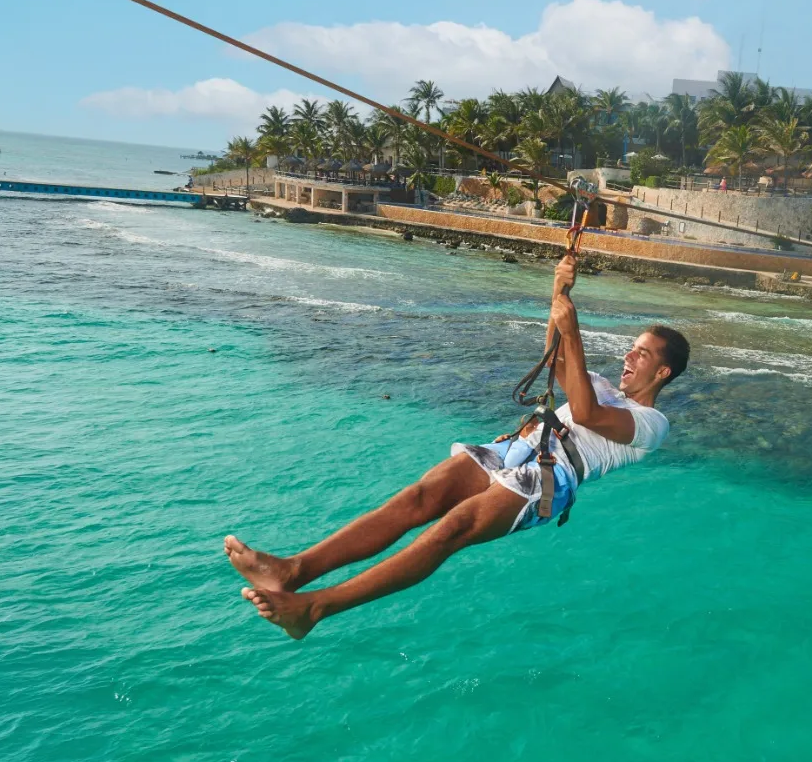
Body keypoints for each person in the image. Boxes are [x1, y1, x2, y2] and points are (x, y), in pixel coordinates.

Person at [225, 255, 689, 639]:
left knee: (453, 529)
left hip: (551, 477)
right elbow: (557, 359)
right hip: (516, 447)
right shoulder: (603, 382)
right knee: (418, 498)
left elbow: (585, 414)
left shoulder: (653, 424)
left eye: (642, 353)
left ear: (663, 373)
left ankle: (314, 608)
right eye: (632, 347)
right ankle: (293, 572)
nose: (628, 356)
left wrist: (573, 331)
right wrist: (559, 292)